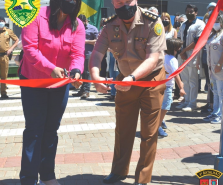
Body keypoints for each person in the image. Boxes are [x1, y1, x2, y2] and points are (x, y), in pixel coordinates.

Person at [89, 0, 166, 184]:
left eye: (126, 1)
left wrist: (132, 78)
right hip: (125, 80)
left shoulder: (152, 21)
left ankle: (142, 178)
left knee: (148, 133)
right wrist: (96, 77)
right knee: (123, 129)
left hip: (151, 80)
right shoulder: (110, 25)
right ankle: (118, 171)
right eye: (118, 1)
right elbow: (97, 54)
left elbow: (153, 58)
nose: (122, 4)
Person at [19, 0, 85, 184]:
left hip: (59, 84)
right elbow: (30, 49)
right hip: (34, 81)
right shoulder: (34, 17)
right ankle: (28, 178)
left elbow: (77, 54)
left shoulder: (77, 25)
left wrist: (76, 71)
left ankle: (47, 176)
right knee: (34, 130)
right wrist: (51, 69)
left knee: (51, 130)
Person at [176, 4, 205, 111]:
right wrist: (180, 51)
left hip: (193, 55)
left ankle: (192, 103)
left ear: (196, 12)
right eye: (188, 11)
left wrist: (183, 51)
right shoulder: (183, 24)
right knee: (185, 80)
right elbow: (178, 38)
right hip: (182, 56)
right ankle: (186, 101)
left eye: (191, 11)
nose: (189, 13)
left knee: (192, 81)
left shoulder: (199, 24)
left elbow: (197, 41)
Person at [201, 12, 223, 124]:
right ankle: (215, 112)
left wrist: (219, 65)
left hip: (220, 69)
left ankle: (221, 115)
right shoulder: (212, 35)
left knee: (221, 93)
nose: (215, 24)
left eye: (217, 21)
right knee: (215, 92)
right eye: (213, 21)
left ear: (222, 22)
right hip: (212, 70)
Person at [159, 38, 186, 137]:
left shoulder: (163, 57)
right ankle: (158, 126)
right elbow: (176, 74)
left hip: (160, 85)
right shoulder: (172, 59)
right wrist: (181, 88)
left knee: (160, 105)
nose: (179, 49)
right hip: (167, 86)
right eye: (178, 48)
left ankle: (160, 122)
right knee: (165, 106)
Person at [72, 14, 98, 99]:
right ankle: (81, 90)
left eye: (83, 23)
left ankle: (87, 91)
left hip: (88, 53)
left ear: (86, 21)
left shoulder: (93, 29)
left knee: (87, 72)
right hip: (78, 54)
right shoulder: (76, 27)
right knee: (81, 72)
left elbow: (97, 41)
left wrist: (86, 41)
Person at [0, 16, 19, 99]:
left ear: (4, 22)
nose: (0, 22)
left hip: (4, 56)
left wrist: (11, 49)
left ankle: (3, 93)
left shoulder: (8, 31)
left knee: (4, 75)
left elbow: (17, 40)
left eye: (1, 21)